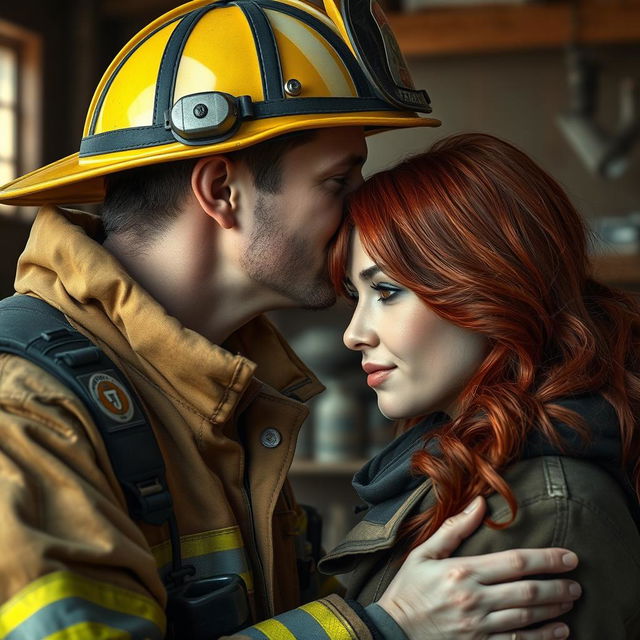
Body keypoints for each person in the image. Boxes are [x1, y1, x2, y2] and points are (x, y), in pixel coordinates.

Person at [0, 0, 581, 637]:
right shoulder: (27, 412)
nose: (362, 217)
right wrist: (383, 628)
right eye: (339, 181)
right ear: (222, 191)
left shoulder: (220, 395)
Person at [326, 132, 640, 638]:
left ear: (486, 285)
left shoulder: (542, 505)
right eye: (354, 296)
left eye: (386, 291)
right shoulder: (461, 465)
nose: (354, 334)